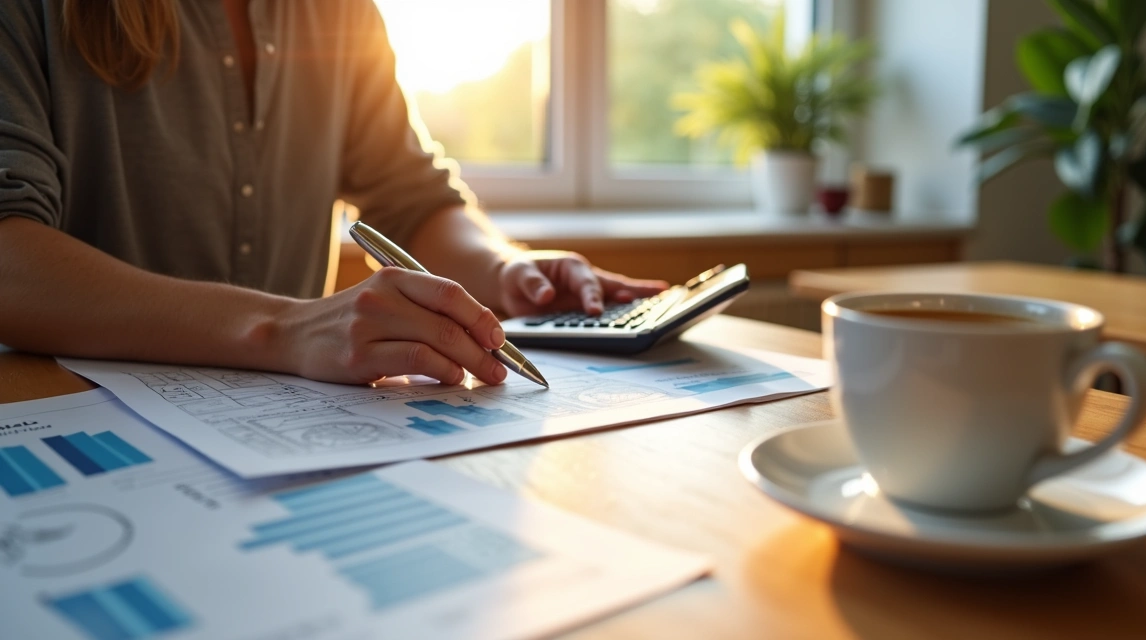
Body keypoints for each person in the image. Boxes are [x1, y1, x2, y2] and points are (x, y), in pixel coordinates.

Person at [0, 0, 667, 387]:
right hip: (71, 418)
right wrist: (282, 329)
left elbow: (412, 198)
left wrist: (502, 270)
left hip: (283, 430)